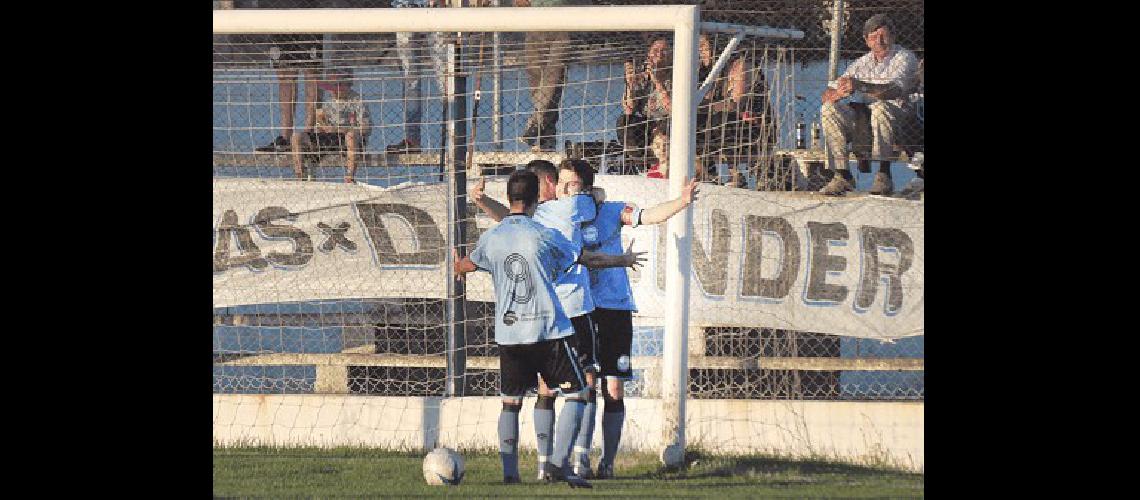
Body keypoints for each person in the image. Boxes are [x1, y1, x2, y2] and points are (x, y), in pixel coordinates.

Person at [454, 170, 642, 487]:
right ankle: (557, 464)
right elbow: (586, 259)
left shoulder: (493, 237)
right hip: (547, 331)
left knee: (510, 402)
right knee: (579, 392)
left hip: (509, 334)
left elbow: (468, 265)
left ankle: (510, 476)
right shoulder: (544, 235)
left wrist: (458, 265)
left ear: (512, 198)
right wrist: (622, 261)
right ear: (535, 200)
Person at [571, 176, 700, 479]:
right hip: (582, 308)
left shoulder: (613, 210)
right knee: (585, 385)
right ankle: (580, 459)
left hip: (614, 309)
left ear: (590, 189)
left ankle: (608, 463)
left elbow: (648, 216)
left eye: (579, 187)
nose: (575, 193)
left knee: (613, 387)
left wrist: (681, 202)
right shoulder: (563, 215)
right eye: (569, 187)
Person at [818, 14, 919, 196]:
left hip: (900, 119)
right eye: (873, 37)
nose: (879, 41)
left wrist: (860, 85)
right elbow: (826, 94)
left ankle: (884, 174)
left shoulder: (904, 57)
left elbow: (893, 91)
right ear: (866, 41)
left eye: (883, 35)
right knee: (829, 109)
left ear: (893, 36)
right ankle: (842, 175)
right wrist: (837, 93)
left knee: (881, 107)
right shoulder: (862, 63)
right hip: (866, 120)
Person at [515, 0, 589, 151]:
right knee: (537, 83)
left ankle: (536, 123)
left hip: (560, 23)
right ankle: (546, 138)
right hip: (534, 25)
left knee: (552, 79)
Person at [386, 0, 448, 153]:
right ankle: (412, 140)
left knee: (446, 77)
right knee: (410, 81)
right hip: (404, 8)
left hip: (436, 8)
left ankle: (456, 136)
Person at [289, 71, 372, 182]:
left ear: (346, 86)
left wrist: (340, 129)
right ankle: (300, 174)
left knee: (351, 136)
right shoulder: (329, 102)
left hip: (347, 138)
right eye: (331, 87)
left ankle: (349, 176)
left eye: (336, 87)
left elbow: (365, 128)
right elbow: (320, 126)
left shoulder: (357, 101)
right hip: (328, 137)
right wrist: (320, 125)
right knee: (297, 136)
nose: (332, 91)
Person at [255, 33, 323, 153]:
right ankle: (285, 138)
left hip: (309, 18)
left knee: (312, 71)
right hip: (281, 20)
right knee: (284, 73)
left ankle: (309, 134)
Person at [617, 37, 673, 177]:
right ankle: (641, 165)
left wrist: (657, 81)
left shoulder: (676, 77)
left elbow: (673, 108)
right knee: (624, 122)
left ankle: (664, 167)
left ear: (671, 56)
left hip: (669, 122)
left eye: (664, 51)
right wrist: (630, 84)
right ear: (648, 54)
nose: (659, 54)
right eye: (655, 51)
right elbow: (629, 109)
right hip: (646, 123)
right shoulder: (642, 78)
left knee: (667, 125)